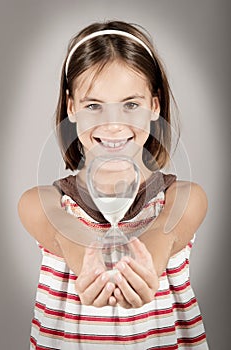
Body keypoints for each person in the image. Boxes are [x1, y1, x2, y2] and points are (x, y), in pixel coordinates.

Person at [18, 20, 209, 349]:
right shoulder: (42, 202)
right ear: (71, 107)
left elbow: (165, 232)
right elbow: (64, 232)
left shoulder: (183, 198)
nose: (113, 124)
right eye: (94, 105)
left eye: (130, 104)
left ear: (155, 105)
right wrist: (86, 264)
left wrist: (144, 263)